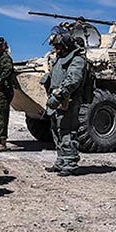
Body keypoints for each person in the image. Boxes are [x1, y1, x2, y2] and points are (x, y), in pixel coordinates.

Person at [41, 31, 87, 176]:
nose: (57, 49)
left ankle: (70, 162)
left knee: (67, 130)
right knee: (56, 130)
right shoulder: (60, 58)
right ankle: (61, 161)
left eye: (59, 46)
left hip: (68, 100)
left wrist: (60, 94)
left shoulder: (77, 59)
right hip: (58, 99)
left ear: (66, 45)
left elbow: (73, 80)